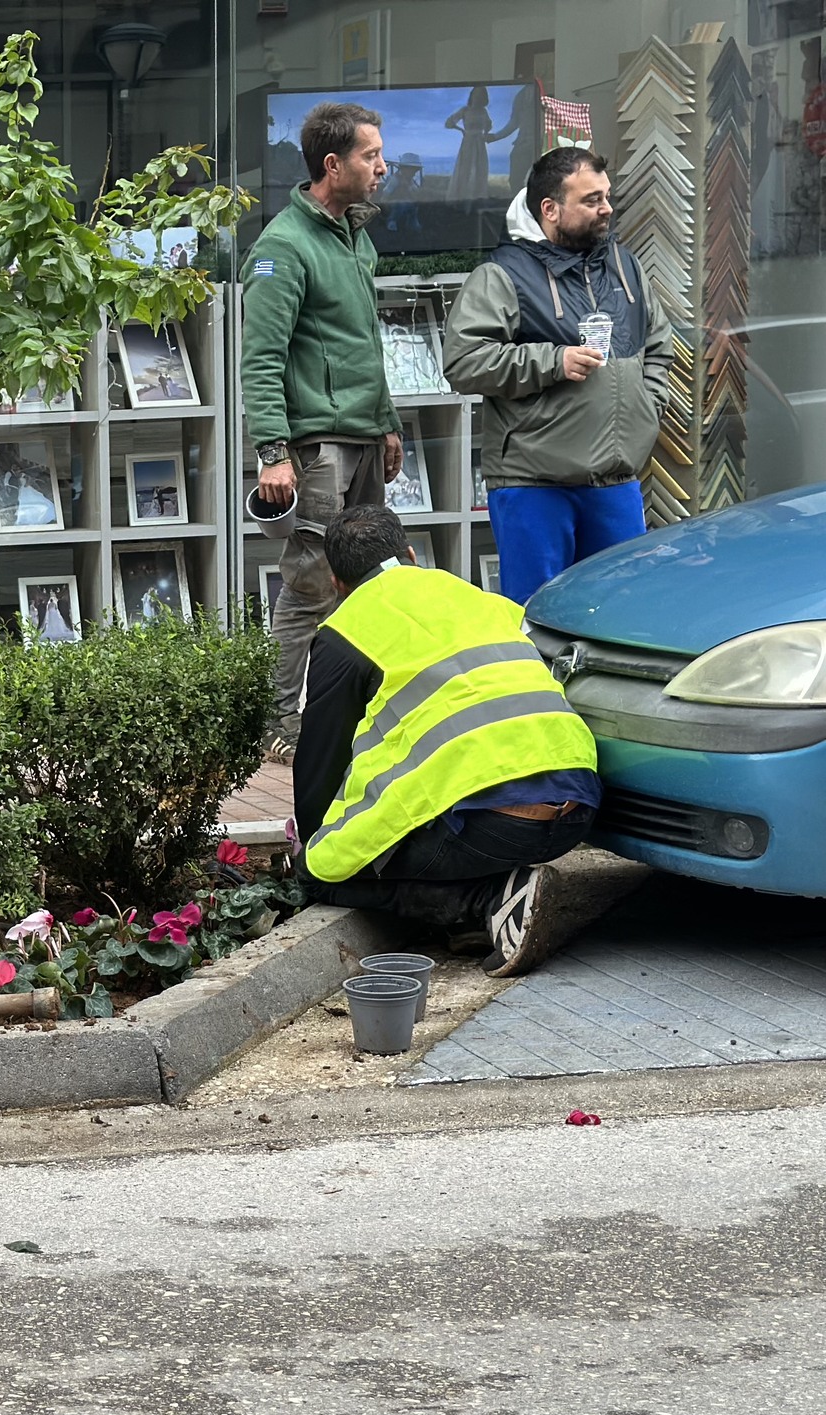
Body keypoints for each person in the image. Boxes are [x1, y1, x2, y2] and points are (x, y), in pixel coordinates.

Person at [293, 507, 601, 978]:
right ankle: (484, 917)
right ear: (411, 555)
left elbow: (320, 763)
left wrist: (314, 846)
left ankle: (483, 902)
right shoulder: (483, 599)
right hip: (579, 805)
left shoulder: (344, 631)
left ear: (336, 582)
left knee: (322, 871)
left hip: (493, 827)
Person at [241, 100, 404, 764]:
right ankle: (278, 725)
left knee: (371, 577)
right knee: (311, 579)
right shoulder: (284, 245)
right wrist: (272, 452)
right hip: (319, 448)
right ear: (331, 164)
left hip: (364, 436)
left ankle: (352, 713)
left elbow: (367, 341)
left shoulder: (354, 236)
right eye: (371, 156)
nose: (382, 167)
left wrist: (388, 424)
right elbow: (260, 357)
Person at [442, 147, 673, 604]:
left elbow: (659, 347)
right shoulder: (501, 275)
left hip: (616, 482)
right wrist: (553, 362)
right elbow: (463, 361)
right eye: (591, 200)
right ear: (550, 209)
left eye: (607, 197)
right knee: (539, 620)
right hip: (534, 485)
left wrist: (646, 410)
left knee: (621, 619)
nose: (606, 208)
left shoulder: (625, 267)